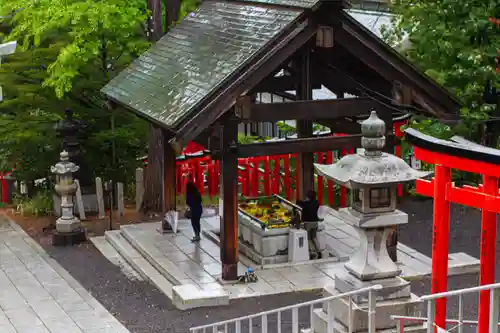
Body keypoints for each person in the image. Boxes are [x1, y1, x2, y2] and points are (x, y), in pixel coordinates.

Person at [297, 190, 321, 257]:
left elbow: (298, 202)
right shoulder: (317, 203)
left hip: (308, 223)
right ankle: (319, 251)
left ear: (308, 196)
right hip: (315, 222)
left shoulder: (305, 204)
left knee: (308, 239)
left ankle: (313, 252)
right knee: (314, 237)